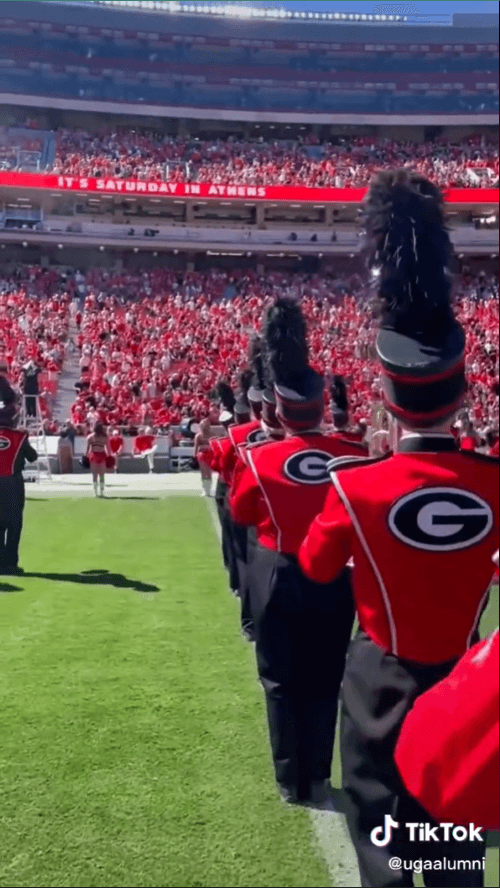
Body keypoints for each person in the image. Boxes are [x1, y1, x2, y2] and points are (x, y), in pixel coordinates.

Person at [298, 170, 499, 887]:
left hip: (378, 687)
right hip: (466, 688)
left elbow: (319, 568)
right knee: (453, 867)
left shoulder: (354, 487)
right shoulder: (494, 485)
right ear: (465, 390)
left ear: (383, 391)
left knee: (384, 862)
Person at [230, 299, 367, 808]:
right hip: (336, 578)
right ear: (319, 407)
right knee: (325, 679)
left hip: (276, 573)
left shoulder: (262, 456)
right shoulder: (353, 456)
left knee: (280, 682)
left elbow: (242, 513)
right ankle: (317, 773)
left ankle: (291, 780)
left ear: (281, 409)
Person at [0, 379, 38, 574]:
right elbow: (33, 457)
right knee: (14, 526)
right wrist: (26, 438)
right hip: (13, 485)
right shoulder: (19, 437)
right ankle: (10, 563)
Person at [85, 421, 111, 497]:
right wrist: (109, 457)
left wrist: (86, 456)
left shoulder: (90, 437)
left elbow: (87, 449)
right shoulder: (105, 437)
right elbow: (108, 448)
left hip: (93, 455)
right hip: (102, 454)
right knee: (102, 474)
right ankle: (102, 492)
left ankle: (96, 492)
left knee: (94, 474)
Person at [194, 418, 212, 497]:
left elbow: (213, 446)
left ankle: (208, 490)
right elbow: (196, 447)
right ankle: (204, 489)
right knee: (203, 472)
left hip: (209, 455)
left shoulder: (212, 435)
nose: (204, 427)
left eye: (206, 425)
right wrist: (195, 455)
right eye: (203, 425)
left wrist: (206, 447)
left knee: (208, 472)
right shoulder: (198, 436)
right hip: (201, 455)